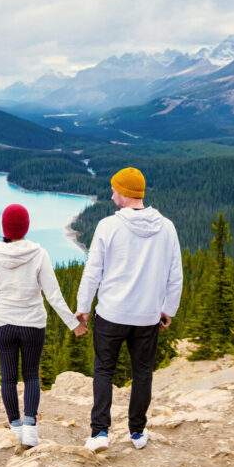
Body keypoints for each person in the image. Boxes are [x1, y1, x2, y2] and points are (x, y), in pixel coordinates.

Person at [75, 167, 182, 452]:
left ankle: (99, 433)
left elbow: (92, 271)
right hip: (147, 316)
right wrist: (168, 309)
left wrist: (83, 308)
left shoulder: (109, 226)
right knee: (143, 372)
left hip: (111, 314)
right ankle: (137, 432)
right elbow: (175, 274)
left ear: (124, 193)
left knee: (104, 371)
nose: (112, 195)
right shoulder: (167, 227)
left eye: (114, 190)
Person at [0, 203, 87, 448]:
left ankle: (15, 427)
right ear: (26, 227)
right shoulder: (39, 254)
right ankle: (30, 428)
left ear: (4, 227)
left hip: (3, 324)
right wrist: (74, 324)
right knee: (30, 376)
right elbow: (53, 295)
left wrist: (2, 307)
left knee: (7, 378)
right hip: (33, 325)